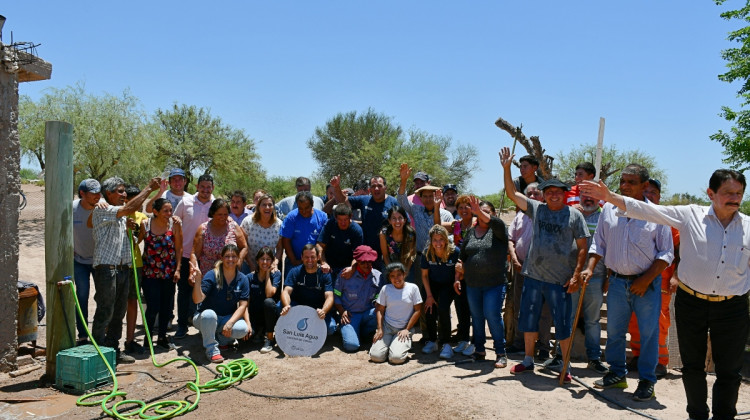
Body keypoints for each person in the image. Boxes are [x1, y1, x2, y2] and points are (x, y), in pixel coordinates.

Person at [581, 171, 748, 420]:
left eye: (739, 193)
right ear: (711, 194)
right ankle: (697, 415)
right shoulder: (689, 215)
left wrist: (647, 278)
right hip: (691, 303)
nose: (734, 199)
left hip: (732, 308)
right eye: (728, 193)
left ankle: (723, 416)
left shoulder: (748, 226)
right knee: (692, 368)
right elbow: (646, 211)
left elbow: (666, 251)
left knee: (729, 371)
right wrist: (610, 197)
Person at [580, 164, 674, 402]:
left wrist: (645, 280)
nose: (624, 186)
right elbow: (598, 244)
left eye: (631, 182)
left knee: (649, 334)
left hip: (647, 286)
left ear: (645, 186)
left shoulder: (656, 214)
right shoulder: (609, 210)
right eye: (622, 181)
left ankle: (646, 381)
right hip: (618, 284)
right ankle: (617, 374)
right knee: (614, 332)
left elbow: (666, 254)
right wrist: (589, 268)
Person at [500, 147, 589, 385]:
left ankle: (565, 364)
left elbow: (583, 246)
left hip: (560, 280)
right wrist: (507, 169)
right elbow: (511, 193)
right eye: (548, 192)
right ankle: (528, 360)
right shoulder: (536, 209)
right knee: (528, 320)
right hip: (533, 276)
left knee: (561, 323)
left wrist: (576, 274)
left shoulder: (574, 216)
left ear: (564, 193)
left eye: (557, 192)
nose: (553, 195)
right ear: (544, 194)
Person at [87, 176, 160, 364]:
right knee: (105, 310)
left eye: (124, 191)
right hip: (107, 269)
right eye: (120, 191)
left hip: (123, 269)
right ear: (108, 193)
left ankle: (113, 349)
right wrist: (149, 188)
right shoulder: (103, 209)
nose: (124, 194)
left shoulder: (119, 216)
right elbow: (128, 208)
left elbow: (130, 234)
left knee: (119, 312)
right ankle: (99, 352)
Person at [545, 193, 609, 374]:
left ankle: (594, 358)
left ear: (599, 200)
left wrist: (608, 277)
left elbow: (609, 248)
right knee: (567, 318)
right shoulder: (571, 215)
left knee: (592, 320)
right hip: (570, 276)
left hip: (596, 276)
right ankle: (560, 356)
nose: (589, 200)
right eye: (585, 197)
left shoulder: (605, 217)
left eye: (592, 197)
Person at [627, 178, 680, 379]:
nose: (649, 195)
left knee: (659, 320)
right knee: (635, 319)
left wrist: (676, 275)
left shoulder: (668, 219)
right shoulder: (630, 214)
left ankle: (660, 361)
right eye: (646, 191)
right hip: (633, 279)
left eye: (653, 192)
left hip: (662, 280)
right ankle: (638, 356)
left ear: (659, 196)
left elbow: (678, 251)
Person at [457, 197, 509, 368]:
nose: (483, 215)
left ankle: (500, 352)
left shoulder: (499, 230)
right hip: (473, 284)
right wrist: (457, 277)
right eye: (480, 212)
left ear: (493, 215)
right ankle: (479, 350)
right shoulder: (471, 232)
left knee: (492, 315)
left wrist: (478, 211)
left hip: (494, 283)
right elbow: (462, 257)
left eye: (487, 212)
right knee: (477, 317)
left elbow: (496, 224)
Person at [506, 183, 553, 359]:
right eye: (529, 193)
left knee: (543, 311)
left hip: (544, 271)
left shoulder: (548, 215)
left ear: (543, 196)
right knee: (520, 306)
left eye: (536, 193)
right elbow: (511, 239)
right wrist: (515, 258)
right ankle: (519, 343)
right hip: (521, 267)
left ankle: (543, 347)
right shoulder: (519, 216)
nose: (532, 196)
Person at [191, 244, 250, 363]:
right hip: (204, 317)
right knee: (209, 314)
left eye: (234, 256)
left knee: (242, 329)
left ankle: (222, 339)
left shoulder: (243, 279)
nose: (231, 259)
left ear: (238, 259)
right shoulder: (212, 275)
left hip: (226, 318)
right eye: (227, 256)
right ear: (221, 258)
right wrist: (198, 281)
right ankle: (211, 349)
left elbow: (243, 305)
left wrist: (231, 322)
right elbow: (197, 300)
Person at [173, 173, 215, 339]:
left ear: (212, 188)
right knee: (184, 291)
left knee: (206, 291)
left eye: (208, 187)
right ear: (197, 186)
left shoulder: (215, 203)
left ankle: (203, 326)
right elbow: (175, 222)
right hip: (185, 255)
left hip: (207, 257)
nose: (205, 190)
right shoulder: (186, 201)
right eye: (202, 186)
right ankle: (182, 325)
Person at [397, 163, 454, 281]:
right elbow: (402, 200)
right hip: (420, 258)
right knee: (421, 290)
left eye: (431, 196)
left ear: (436, 197)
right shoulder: (416, 210)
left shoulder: (446, 214)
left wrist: (437, 207)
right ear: (421, 198)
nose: (428, 199)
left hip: (441, 258)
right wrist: (403, 181)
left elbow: (440, 229)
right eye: (425, 196)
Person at [138, 198, 182, 349]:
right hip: (150, 273)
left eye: (170, 210)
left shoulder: (174, 225)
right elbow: (136, 241)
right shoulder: (146, 224)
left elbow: (179, 249)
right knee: (152, 307)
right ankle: (148, 339)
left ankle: (162, 337)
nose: (169, 214)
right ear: (155, 212)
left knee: (166, 307)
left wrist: (178, 269)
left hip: (168, 273)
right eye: (165, 211)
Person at [331, 175, 399, 269]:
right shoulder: (364, 200)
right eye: (373, 186)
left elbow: (404, 222)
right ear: (369, 189)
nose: (376, 188)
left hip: (388, 254)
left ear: (385, 187)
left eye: (379, 186)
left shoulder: (393, 202)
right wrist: (336, 187)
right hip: (367, 254)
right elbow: (343, 200)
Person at [420, 225, 462, 358]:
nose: (438, 243)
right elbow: (425, 275)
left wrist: (456, 279)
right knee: (429, 308)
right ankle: (432, 340)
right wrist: (429, 296)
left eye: (441, 239)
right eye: (435, 240)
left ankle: (446, 343)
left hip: (448, 284)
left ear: (446, 239)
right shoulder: (427, 252)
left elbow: (459, 270)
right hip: (432, 284)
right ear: (431, 241)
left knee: (443, 308)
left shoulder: (454, 251)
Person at [370, 263, 423, 364]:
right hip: (387, 327)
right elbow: (380, 310)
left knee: (396, 359)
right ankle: (391, 345)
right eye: (392, 276)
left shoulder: (413, 288)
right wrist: (380, 329)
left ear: (404, 274)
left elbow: (418, 310)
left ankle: (401, 344)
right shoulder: (386, 289)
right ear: (389, 278)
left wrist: (407, 329)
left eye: (399, 274)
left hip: (404, 327)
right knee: (376, 357)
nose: (396, 278)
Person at [280, 244, 336, 336]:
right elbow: (286, 291)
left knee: (330, 329)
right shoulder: (295, 271)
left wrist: (324, 311)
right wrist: (287, 306)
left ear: (318, 257)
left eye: (312, 257)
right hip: (298, 308)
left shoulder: (325, 274)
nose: (309, 260)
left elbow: (329, 296)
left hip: (317, 310)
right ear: (302, 257)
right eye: (306, 257)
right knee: (279, 307)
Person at [334, 245, 382, 352]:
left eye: (369, 262)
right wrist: (342, 311)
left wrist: (376, 303)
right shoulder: (344, 275)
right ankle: (347, 329)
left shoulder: (378, 276)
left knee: (381, 312)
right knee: (351, 346)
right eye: (362, 262)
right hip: (350, 315)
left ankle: (362, 332)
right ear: (357, 262)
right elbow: (336, 294)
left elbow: (379, 296)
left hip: (368, 313)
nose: (366, 265)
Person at [73, 178, 103, 345]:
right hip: (79, 261)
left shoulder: (102, 207)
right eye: (93, 194)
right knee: (82, 296)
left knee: (103, 297)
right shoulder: (72, 208)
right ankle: (83, 335)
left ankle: (99, 334)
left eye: (99, 193)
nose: (97, 197)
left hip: (99, 261)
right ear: (82, 194)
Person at [123, 185, 151, 355]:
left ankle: (130, 340)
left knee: (133, 300)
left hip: (135, 263)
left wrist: (139, 230)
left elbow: (138, 241)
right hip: (118, 263)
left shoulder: (142, 218)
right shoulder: (119, 213)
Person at [191, 198, 248, 280]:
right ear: (213, 213)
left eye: (225, 214)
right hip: (208, 276)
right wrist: (193, 271)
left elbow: (244, 247)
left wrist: (239, 261)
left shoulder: (233, 226)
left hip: (229, 274)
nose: (223, 217)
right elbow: (195, 254)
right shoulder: (203, 229)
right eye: (219, 214)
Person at [445, 194, 474, 356]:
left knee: (474, 308)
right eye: (461, 207)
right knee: (461, 305)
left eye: (467, 206)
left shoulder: (479, 223)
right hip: (458, 271)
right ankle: (463, 338)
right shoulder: (456, 225)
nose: (464, 210)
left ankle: (475, 341)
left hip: (475, 271)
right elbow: (437, 224)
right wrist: (436, 207)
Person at [279, 191, 328, 276]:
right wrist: (294, 260)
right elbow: (286, 240)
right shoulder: (291, 217)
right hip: (294, 259)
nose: (304, 211)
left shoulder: (322, 217)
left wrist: (320, 260)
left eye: (307, 208)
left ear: (312, 204)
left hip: (316, 261)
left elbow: (324, 241)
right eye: (300, 208)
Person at [246, 247, 282, 353]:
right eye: (262, 259)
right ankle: (257, 331)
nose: (265, 262)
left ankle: (269, 337)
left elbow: (269, 294)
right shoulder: (249, 277)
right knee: (244, 338)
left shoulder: (276, 274)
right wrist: (247, 323)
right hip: (254, 314)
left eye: (268, 259)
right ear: (257, 261)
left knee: (268, 302)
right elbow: (245, 303)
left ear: (272, 261)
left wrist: (267, 274)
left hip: (270, 315)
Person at [318, 205, 363, 282]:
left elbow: (358, 254)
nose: (343, 223)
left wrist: (352, 268)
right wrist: (323, 262)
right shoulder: (330, 224)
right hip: (329, 264)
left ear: (351, 217)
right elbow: (320, 245)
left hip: (347, 266)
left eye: (345, 219)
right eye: (340, 220)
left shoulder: (357, 230)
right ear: (335, 218)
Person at [240, 194, 283, 274]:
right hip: (249, 264)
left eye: (270, 205)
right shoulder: (248, 222)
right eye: (264, 205)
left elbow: (280, 248)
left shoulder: (279, 224)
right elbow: (243, 245)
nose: (267, 207)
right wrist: (251, 265)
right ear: (258, 207)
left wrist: (275, 263)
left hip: (268, 265)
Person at [379, 206, 417, 280]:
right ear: (389, 221)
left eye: (400, 218)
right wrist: (392, 272)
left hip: (406, 265)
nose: (397, 221)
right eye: (394, 218)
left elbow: (411, 256)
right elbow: (385, 255)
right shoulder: (384, 234)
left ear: (405, 220)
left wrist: (406, 272)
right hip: (389, 264)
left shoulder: (410, 234)